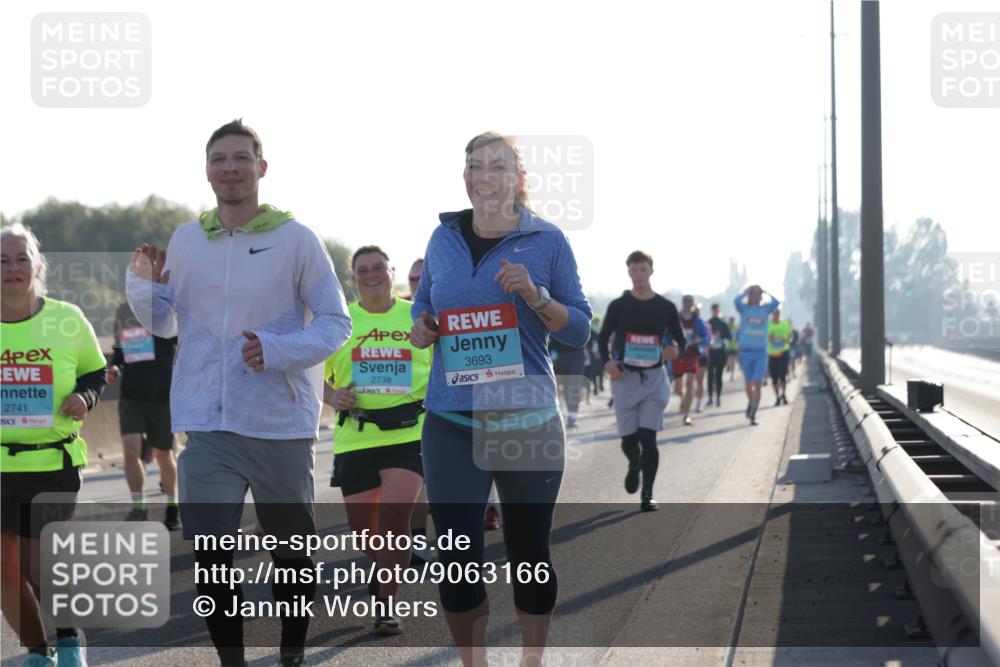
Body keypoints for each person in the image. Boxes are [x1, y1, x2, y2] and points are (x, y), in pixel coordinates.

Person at [126, 119, 352, 667]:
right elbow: (164, 323)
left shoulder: (295, 238)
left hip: (278, 419)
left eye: (241, 158)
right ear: (207, 170)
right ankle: (232, 660)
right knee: (209, 552)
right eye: (219, 158)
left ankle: (292, 651)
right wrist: (143, 285)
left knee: (291, 553)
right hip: (208, 421)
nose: (230, 168)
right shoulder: (187, 238)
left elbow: (334, 323)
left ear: (261, 168)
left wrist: (276, 351)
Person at [409, 131, 592, 667]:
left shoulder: (548, 240)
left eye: (497, 166)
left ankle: (532, 661)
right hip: (449, 417)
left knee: (528, 552)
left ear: (519, 178)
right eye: (474, 165)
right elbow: (424, 307)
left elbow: (578, 330)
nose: (484, 175)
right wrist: (423, 328)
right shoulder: (441, 237)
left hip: (524, 415)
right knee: (456, 556)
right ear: (464, 176)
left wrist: (535, 296)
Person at [2, 223, 107, 667]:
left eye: (22, 258)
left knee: (38, 562)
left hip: (54, 461)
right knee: (5, 571)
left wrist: (84, 397)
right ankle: (38, 653)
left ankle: (68, 638)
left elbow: (94, 373)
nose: (12, 268)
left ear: (38, 266)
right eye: (2, 261)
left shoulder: (66, 318)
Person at [322, 246, 431, 635]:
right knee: (367, 533)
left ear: (392, 272)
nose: (372, 275)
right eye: (363, 270)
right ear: (353, 278)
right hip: (357, 436)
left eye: (378, 268)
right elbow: (309, 374)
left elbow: (445, 364)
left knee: (394, 520)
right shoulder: (339, 322)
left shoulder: (415, 315)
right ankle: (383, 566)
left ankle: (386, 604)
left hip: (409, 433)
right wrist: (333, 396)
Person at [598, 251, 684, 509]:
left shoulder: (665, 307)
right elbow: (602, 338)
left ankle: (648, 494)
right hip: (624, 378)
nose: (638, 275)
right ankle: (634, 462)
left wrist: (674, 350)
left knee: (649, 438)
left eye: (643, 270)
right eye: (634, 270)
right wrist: (608, 363)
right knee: (629, 441)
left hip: (654, 380)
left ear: (651, 271)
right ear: (628, 272)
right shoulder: (618, 306)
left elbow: (681, 338)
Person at [108, 301, 179, 528]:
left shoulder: (166, 310)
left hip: (162, 397)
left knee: (163, 455)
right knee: (130, 449)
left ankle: (172, 508)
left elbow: (185, 344)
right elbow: (120, 350)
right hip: (131, 395)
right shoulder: (123, 311)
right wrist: (115, 367)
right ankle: (139, 508)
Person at [734, 284, 780, 425]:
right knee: (748, 384)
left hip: (760, 352)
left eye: (758, 293)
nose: (756, 295)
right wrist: (746, 291)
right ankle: (751, 401)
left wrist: (765, 291)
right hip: (746, 352)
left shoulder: (765, 309)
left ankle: (753, 413)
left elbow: (776, 302)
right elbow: (736, 301)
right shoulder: (744, 309)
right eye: (753, 293)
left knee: (758, 384)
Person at [671, 295, 708, 426]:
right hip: (678, 355)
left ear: (693, 303)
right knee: (678, 388)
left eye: (690, 301)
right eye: (686, 301)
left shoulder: (697, 320)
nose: (688, 303)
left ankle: (686, 415)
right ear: (683, 302)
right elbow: (666, 334)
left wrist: (700, 341)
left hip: (692, 355)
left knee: (691, 383)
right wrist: (671, 343)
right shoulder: (675, 318)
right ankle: (683, 399)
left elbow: (706, 336)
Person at [549, 336, 586, 429]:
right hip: (560, 356)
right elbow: (550, 343)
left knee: (574, 385)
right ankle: (571, 413)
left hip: (577, 354)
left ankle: (572, 416)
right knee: (566, 388)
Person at [705, 303, 732, 407]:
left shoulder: (723, 324)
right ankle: (710, 398)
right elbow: (704, 337)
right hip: (710, 353)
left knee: (719, 376)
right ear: (711, 311)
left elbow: (728, 338)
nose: (716, 312)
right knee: (710, 376)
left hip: (721, 353)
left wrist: (721, 340)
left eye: (717, 310)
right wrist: (710, 342)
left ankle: (718, 398)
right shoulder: (708, 323)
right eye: (714, 310)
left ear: (719, 311)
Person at [767, 309, 792, 406]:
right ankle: (777, 397)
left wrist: (785, 339)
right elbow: (767, 338)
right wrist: (772, 337)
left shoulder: (785, 325)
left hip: (783, 353)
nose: (776, 316)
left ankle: (784, 395)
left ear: (779, 315)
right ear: (772, 315)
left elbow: (790, 337)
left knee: (783, 377)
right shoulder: (768, 325)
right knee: (774, 378)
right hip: (772, 354)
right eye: (774, 314)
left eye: (777, 314)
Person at [725, 315, 740, 381]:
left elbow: (738, 336)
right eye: (731, 320)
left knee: (733, 361)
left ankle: (731, 376)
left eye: (732, 320)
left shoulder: (736, 327)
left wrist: (738, 345)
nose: (731, 321)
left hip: (734, 346)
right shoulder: (727, 327)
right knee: (729, 360)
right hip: (728, 346)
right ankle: (728, 366)